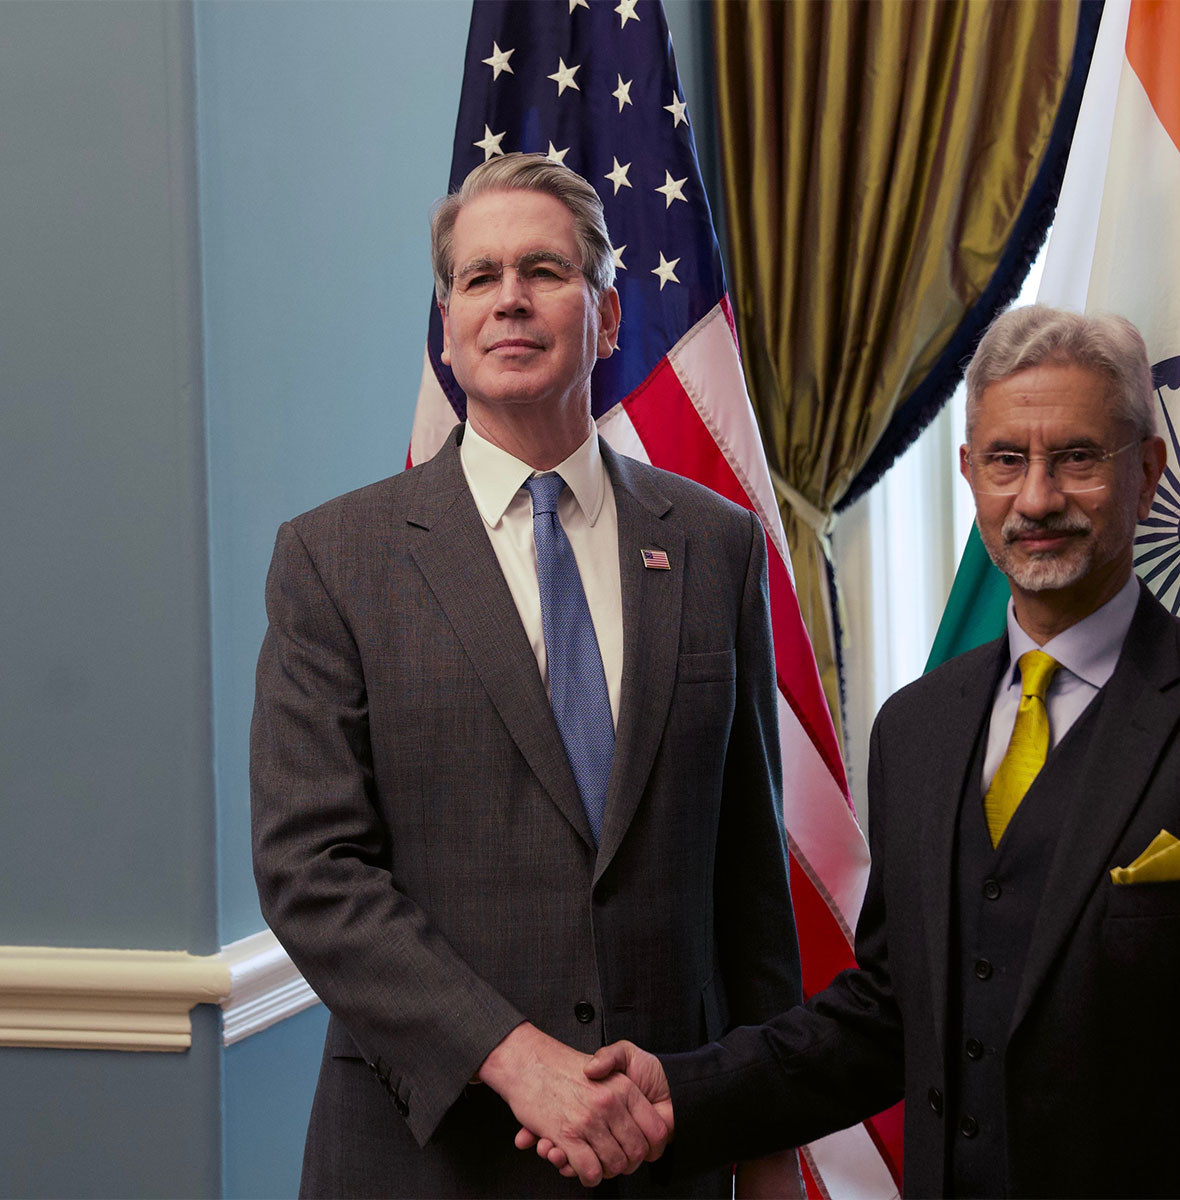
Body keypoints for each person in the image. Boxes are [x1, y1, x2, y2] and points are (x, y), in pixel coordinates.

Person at [566, 306, 1180, 1197]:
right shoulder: (917, 730)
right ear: (970, 474)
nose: (1036, 498)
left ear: (1148, 472)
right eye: (1007, 460)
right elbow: (887, 1016)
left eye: (1076, 457)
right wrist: (684, 1092)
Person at [250, 153, 803, 1198]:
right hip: (427, 1157)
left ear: (602, 318)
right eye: (477, 277)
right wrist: (521, 1062)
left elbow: (747, 881)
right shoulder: (335, 559)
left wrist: (770, 1150)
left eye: (545, 271)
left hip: (665, 1150)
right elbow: (310, 872)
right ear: (448, 328)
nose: (509, 298)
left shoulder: (714, 544)